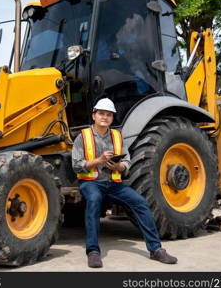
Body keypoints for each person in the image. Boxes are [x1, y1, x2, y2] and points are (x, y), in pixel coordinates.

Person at [72, 98, 178, 268]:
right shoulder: (82, 137)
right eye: (101, 114)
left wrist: (119, 166)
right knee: (93, 201)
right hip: (91, 183)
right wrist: (98, 161)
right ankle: (93, 251)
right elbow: (76, 166)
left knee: (140, 203)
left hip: (113, 184)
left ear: (112, 118)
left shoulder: (116, 136)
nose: (105, 117)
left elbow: (127, 162)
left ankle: (156, 250)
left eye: (109, 115)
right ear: (94, 115)